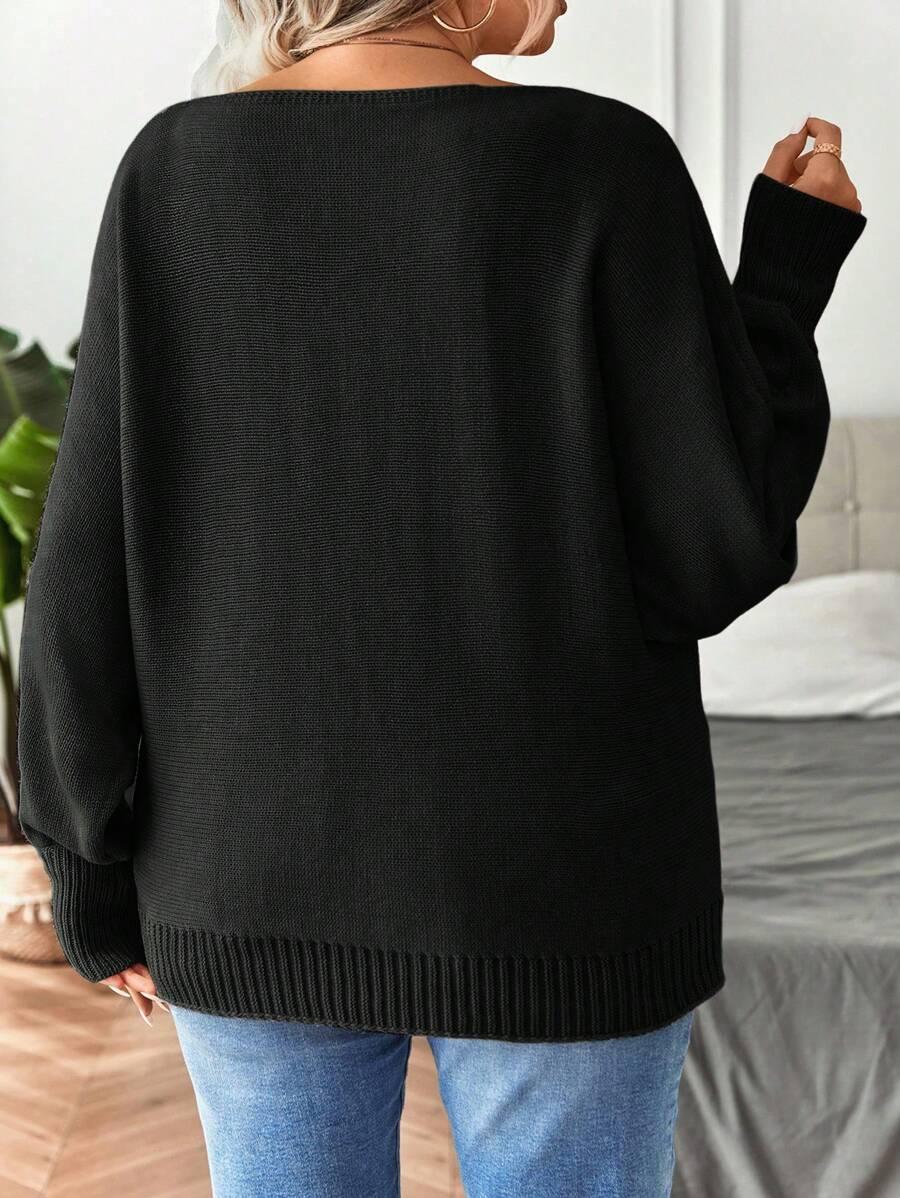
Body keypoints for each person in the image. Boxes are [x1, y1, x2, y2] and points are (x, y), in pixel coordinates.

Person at [16, 2, 866, 1195]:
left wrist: (88, 871)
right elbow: (711, 550)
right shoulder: (602, 163)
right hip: (568, 887)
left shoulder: (177, 169)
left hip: (246, 873)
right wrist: (779, 282)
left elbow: (85, 562)